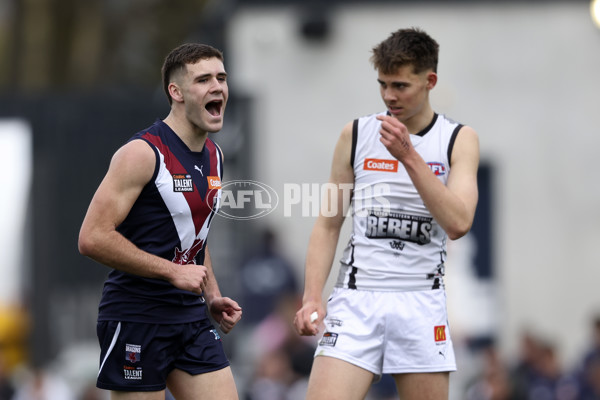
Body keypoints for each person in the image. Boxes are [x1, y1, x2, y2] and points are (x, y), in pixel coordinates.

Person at [294, 27, 480, 400]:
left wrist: (409, 156)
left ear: (430, 81)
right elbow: (329, 223)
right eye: (382, 84)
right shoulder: (357, 133)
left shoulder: (458, 139)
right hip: (357, 299)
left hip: (420, 302)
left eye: (400, 86)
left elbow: (459, 223)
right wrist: (312, 296)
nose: (389, 96)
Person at [78, 43, 242, 400]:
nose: (217, 87)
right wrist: (172, 272)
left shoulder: (215, 155)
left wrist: (212, 295)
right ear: (176, 92)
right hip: (137, 315)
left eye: (221, 77)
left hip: (191, 318)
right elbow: (92, 238)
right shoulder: (141, 153)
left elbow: (193, 235)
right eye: (203, 80)